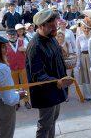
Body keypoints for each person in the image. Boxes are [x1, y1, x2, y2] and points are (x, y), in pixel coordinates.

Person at [26, 9, 74, 138]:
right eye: (51, 27)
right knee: (45, 125)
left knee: (52, 121)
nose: (55, 30)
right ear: (41, 26)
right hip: (45, 93)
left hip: (56, 90)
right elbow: (38, 74)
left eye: (55, 26)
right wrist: (57, 82)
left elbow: (57, 58)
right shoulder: (35, 46)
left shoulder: (51, 38)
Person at [0, 33, 27, 138]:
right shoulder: (1, 68)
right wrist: (20, 95)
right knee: (6, 135)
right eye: (3, 47)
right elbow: (9, 99)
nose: (6, 50)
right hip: (2, 107)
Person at [5, 29, 31, 110]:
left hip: (22, 67)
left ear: (17, 35)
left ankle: (26, 101)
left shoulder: (23, 42)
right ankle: (17, 102)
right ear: (7, 35)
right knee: (15, 86)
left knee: (25, 85)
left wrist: (25, 49)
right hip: (12, 69)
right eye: (10, 35)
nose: (12, 36)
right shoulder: (4, 44)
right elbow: (2, 56)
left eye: (14, 35)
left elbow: (31, 50)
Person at [76, 17, 91, 100]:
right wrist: (78, 63)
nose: (86, 30)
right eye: (85, 28)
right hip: (83, 58)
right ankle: (87, 95)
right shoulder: (79, 38)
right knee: (85, 76)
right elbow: (78, 51)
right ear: (82, 29)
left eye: (88, 28)